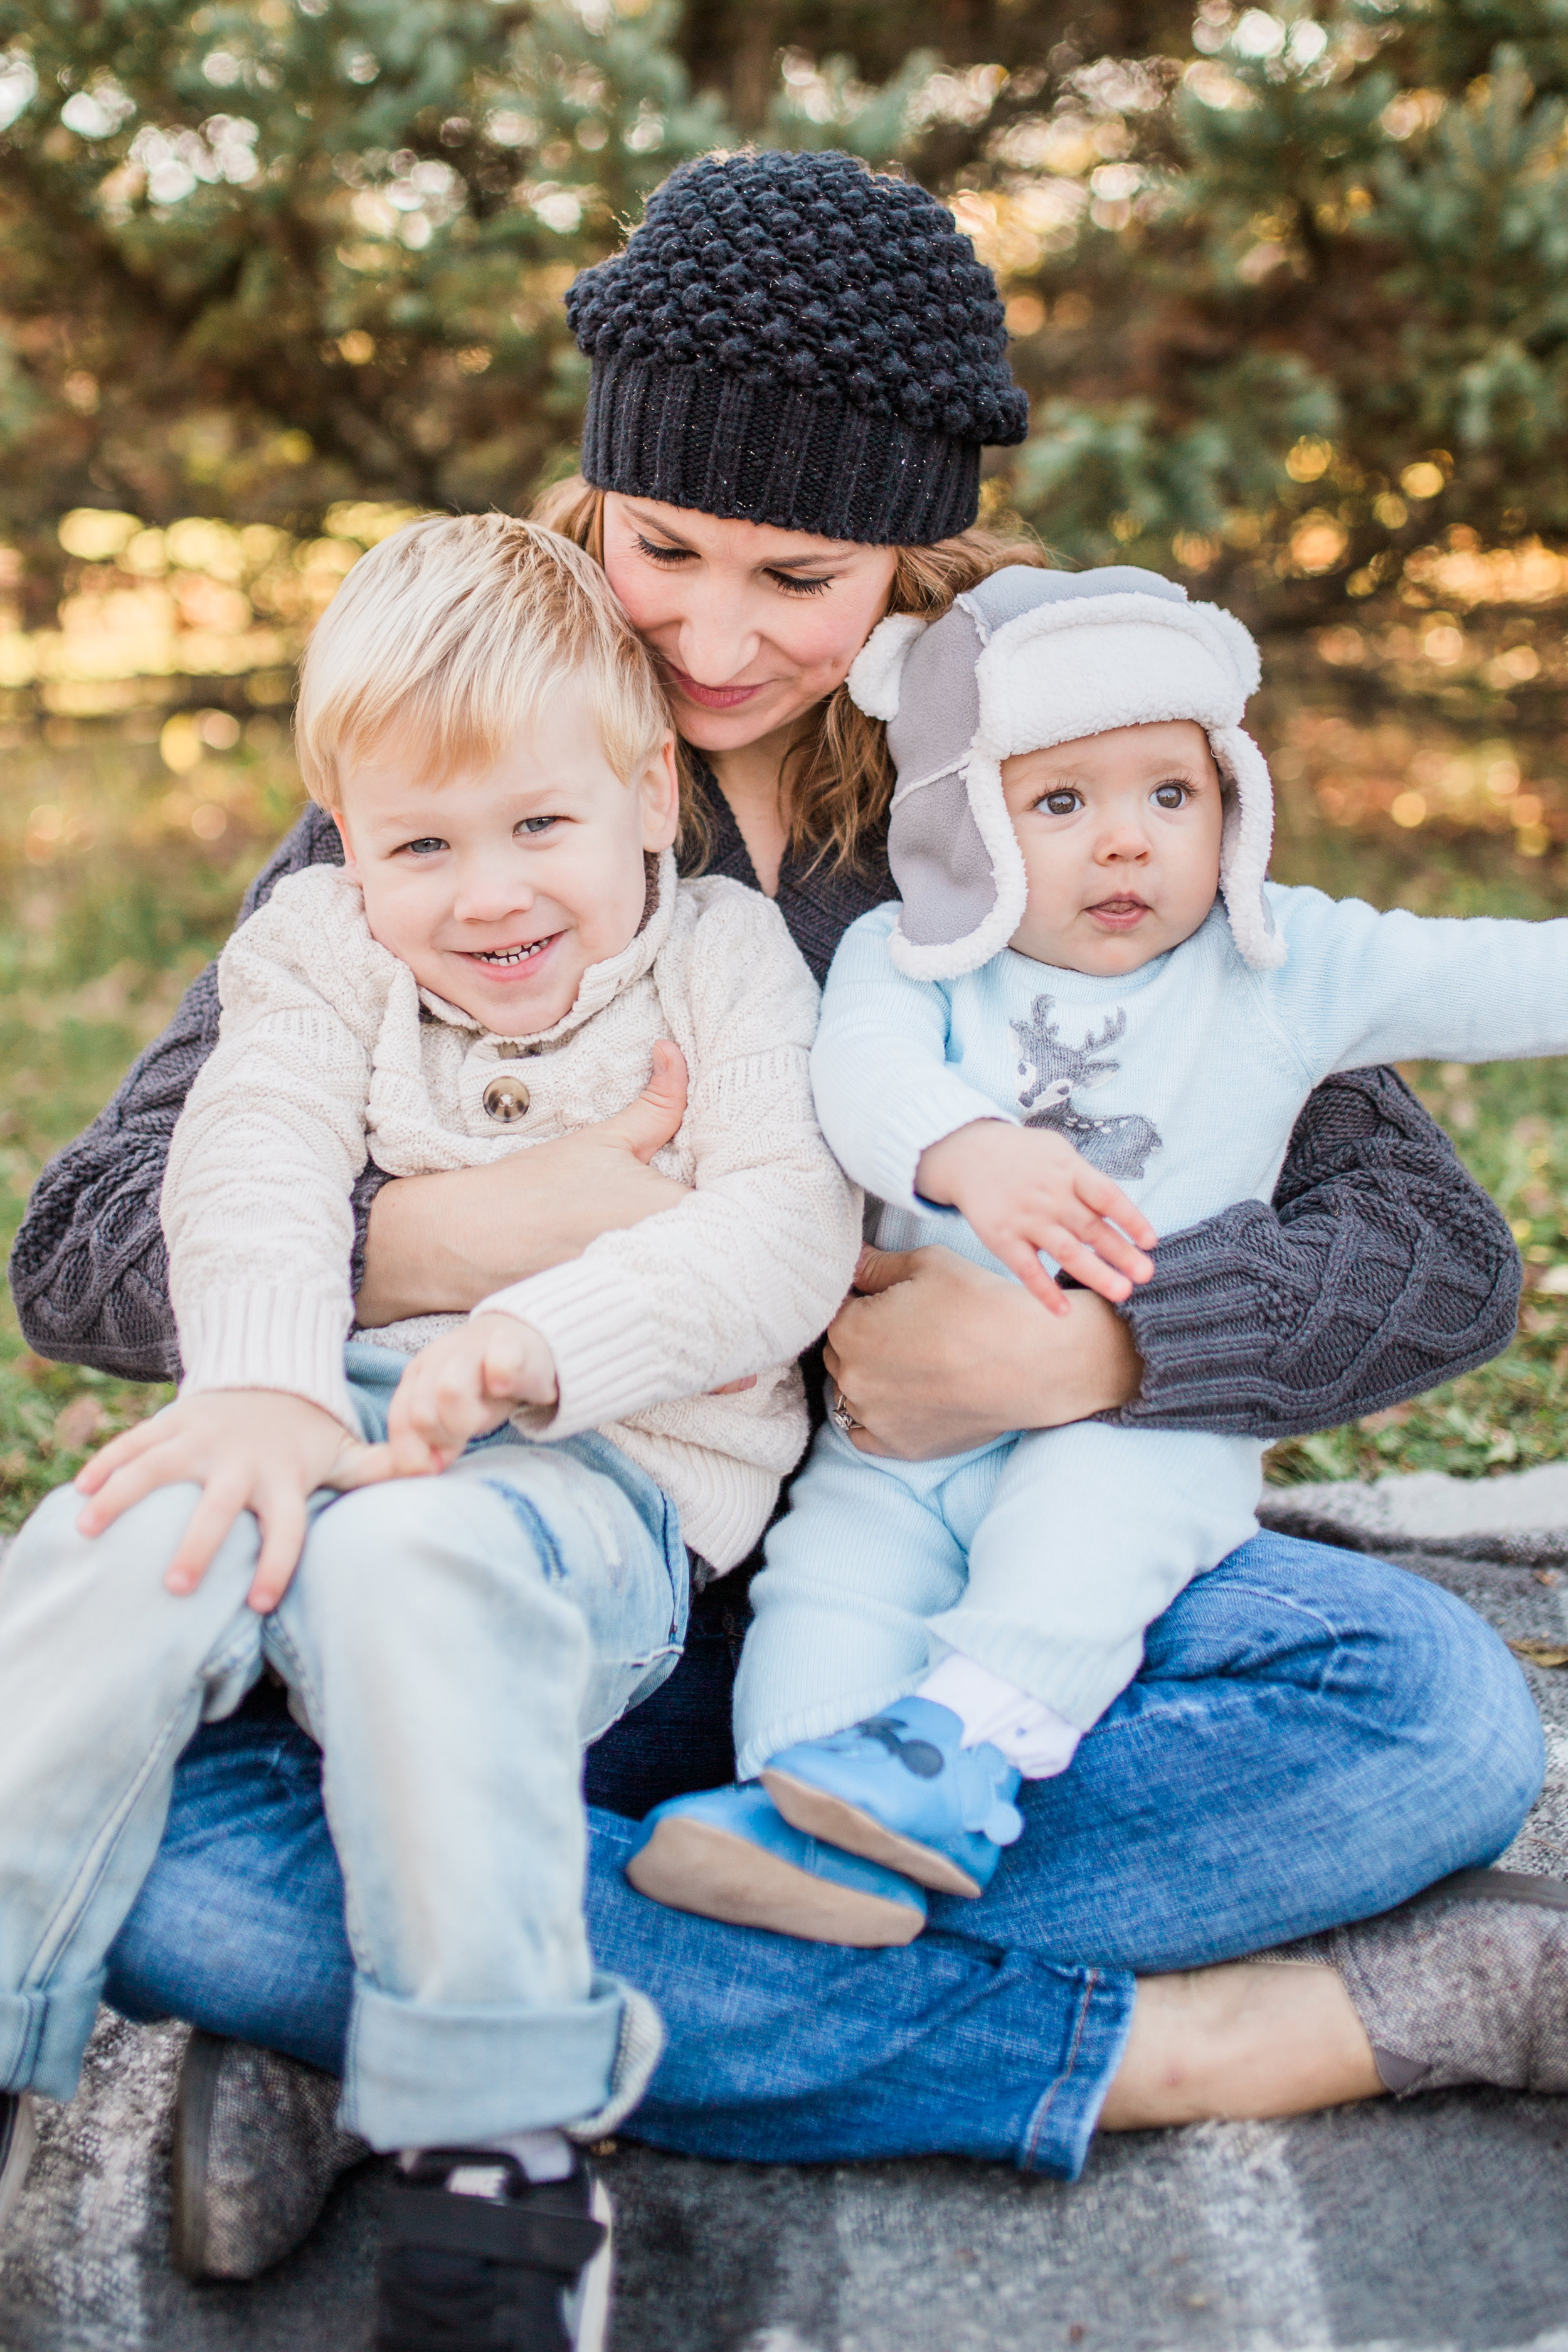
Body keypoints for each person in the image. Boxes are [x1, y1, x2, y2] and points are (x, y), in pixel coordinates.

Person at [4, 148, 1559, 2338]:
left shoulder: (1014, 768)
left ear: (905, 554)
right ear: (593, 496)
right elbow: (86, 1249)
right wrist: (468, 1232)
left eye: (798, 577)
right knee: (132, 1827)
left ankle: (433, 2020)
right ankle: (1178, 2050)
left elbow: (1432, 1253)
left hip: (917, 1607)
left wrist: (1089, 1358)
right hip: (537, 1602)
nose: (712, 640)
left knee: (1431, 1718)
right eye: (660, 552)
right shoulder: (481, 746)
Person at [0, 512, 864, 2346]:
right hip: (330, 1406)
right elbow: (251, 1154)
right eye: (421, 844)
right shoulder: (316, 944)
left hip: (602, 1473)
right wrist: (257, 1379)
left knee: (412, 1566)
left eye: (539, 826)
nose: (487, 894)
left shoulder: (722, 959)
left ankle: (493, 2145)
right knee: (114, 1544)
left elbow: (785, 1231)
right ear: (344, 837)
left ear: (645, 792)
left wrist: (541, 1343)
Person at [628, 567, 1568, 1936]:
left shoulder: (1277, 961)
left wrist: (1116, 1344)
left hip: (1136, 1421)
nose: (1123, 843)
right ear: (968, 819)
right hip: (893, 1444)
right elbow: (860, 1079)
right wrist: (962, 1151)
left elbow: (1484, 982)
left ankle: (959, 1744)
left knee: (1092, 1544)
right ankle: (804, 1820)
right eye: (1060, 803)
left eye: (1167, 796)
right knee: (827, 1587)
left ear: (1229, 801)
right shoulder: (913, 955)